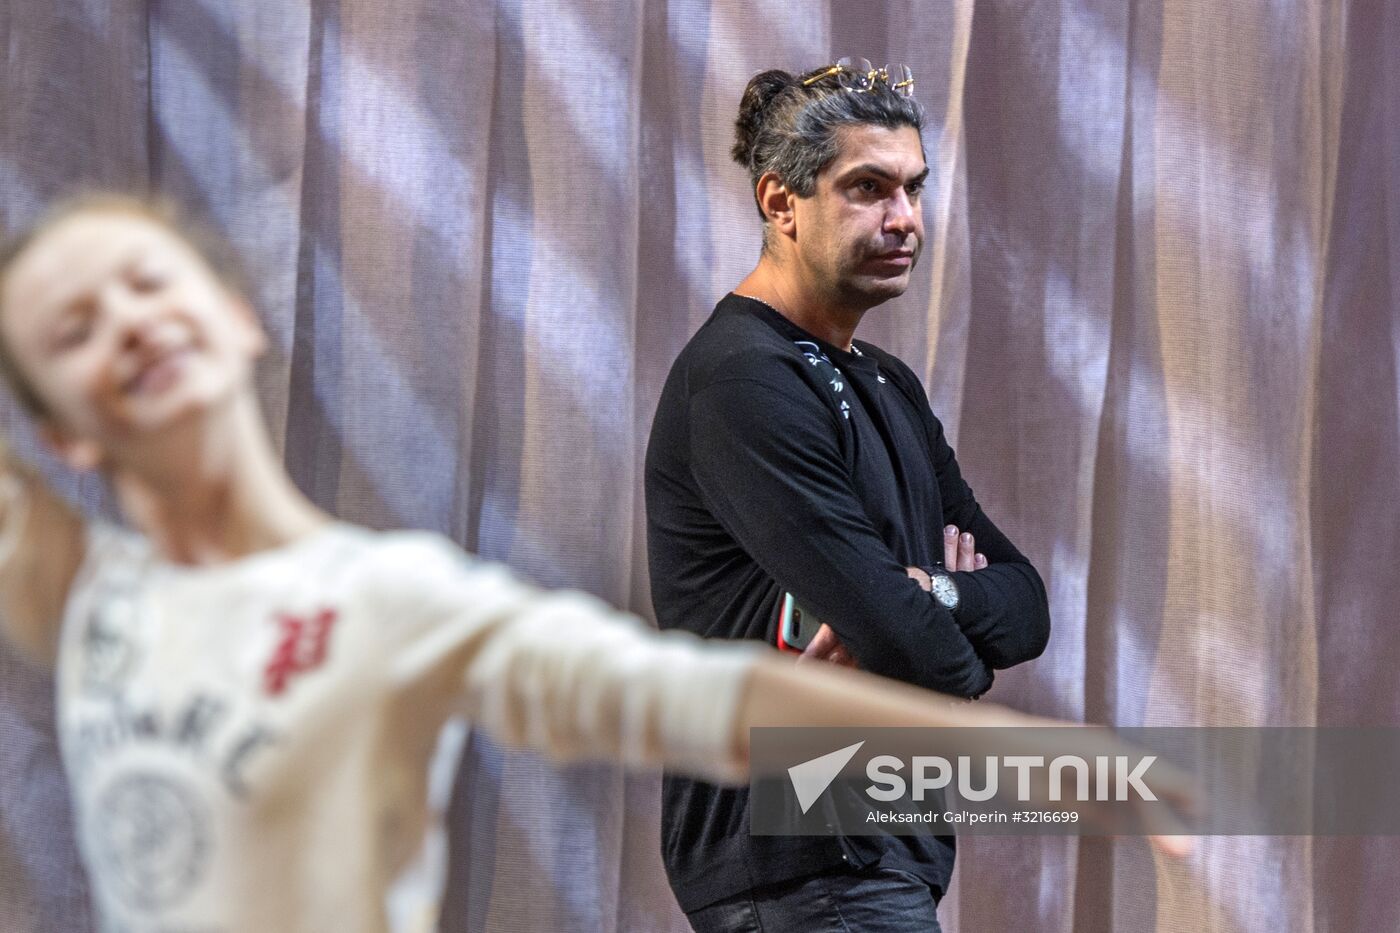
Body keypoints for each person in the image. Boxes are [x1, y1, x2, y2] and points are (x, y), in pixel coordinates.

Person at [0, 196, 1186, 932]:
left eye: (147, 283)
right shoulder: (85, 593)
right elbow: (914, 636)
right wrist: (932, 614)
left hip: (862, 838)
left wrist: (1056, 764)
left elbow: (705, 700)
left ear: (234, 312)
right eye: (73, 328)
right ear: (59, 428)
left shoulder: (392, 599)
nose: (128, 325)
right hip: (804, 859)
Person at [645, 60, 1052, 931]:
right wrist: (925, 633)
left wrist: (927, 595)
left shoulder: (889, 384)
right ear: (780, 202)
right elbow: (924, 650)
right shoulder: (742, 379)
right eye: (868, 188)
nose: (904, 219)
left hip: (879, 864)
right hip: (803, 870)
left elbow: (1028, 608)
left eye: (912, 189)